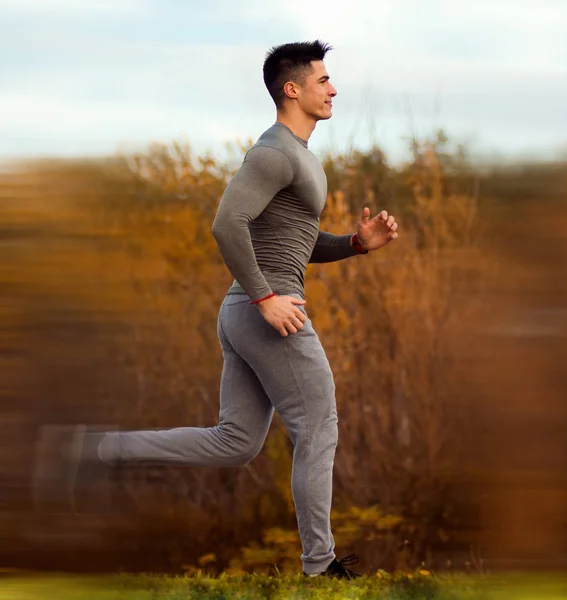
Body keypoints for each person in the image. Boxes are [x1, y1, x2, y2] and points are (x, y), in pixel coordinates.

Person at [32, 40, 399, 579]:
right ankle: (320, 568)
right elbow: (227, 223)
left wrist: (354, 244)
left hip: (248, 310)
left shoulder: (299, 157)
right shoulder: (274, 152)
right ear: (291, 89)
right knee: (318, 425)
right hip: (267, 310)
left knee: (235, 442)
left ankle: (93, 451)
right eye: (323, 80)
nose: (333, 88)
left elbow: (293, 243)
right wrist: (266, 298)